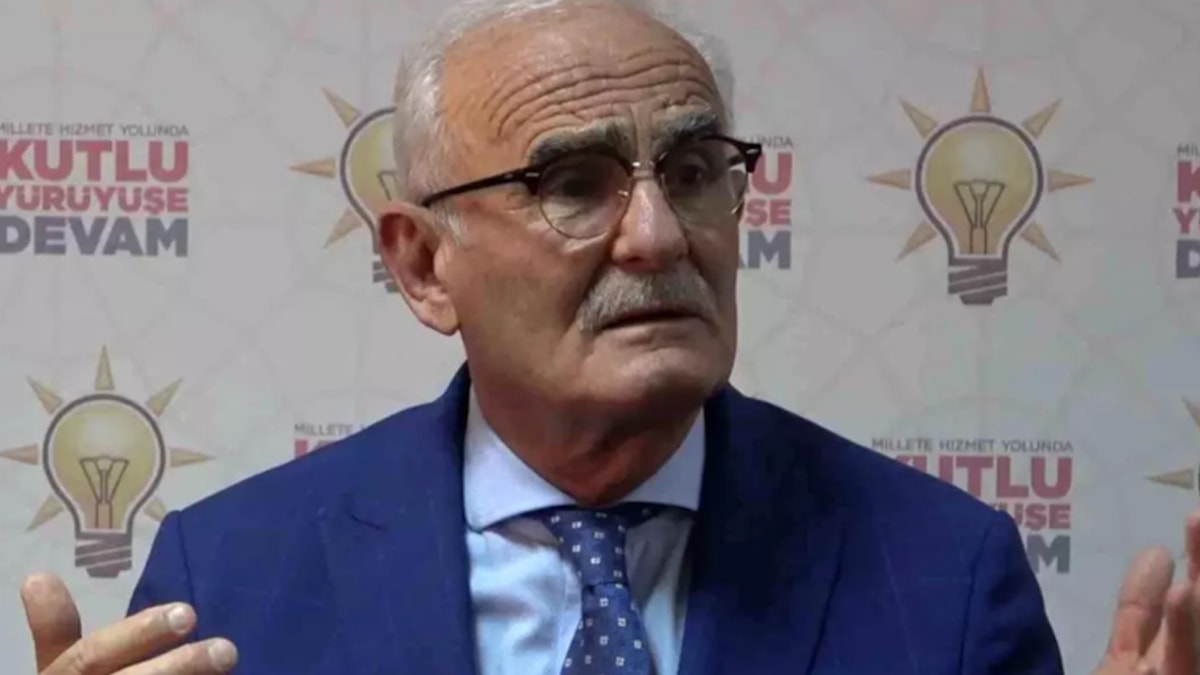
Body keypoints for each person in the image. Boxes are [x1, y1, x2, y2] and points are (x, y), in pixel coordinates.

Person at [16, 0, 1200, 673]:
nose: (656, 235)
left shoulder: (945, 574)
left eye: (692, 171)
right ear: (422, 264)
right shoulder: (231, 579)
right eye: (573, 184)